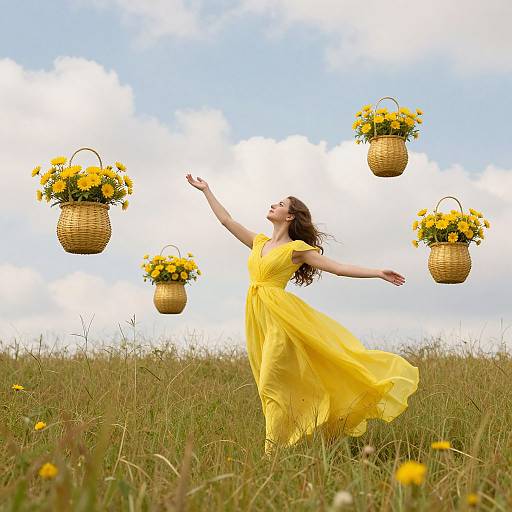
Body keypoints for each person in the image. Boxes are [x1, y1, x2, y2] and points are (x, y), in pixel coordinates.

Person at [186, 173, 420, 455]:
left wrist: (377, 272)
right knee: (267, 382)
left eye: (280, 204)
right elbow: (227, 221)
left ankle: (271, 452)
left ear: (289, 217)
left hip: (282, 319)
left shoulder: (296, 249)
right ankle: (305, 434)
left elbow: (337, 267)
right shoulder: (259, 242)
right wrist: (206, 190)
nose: (273, 205)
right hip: (258, 317)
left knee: (270, 383)